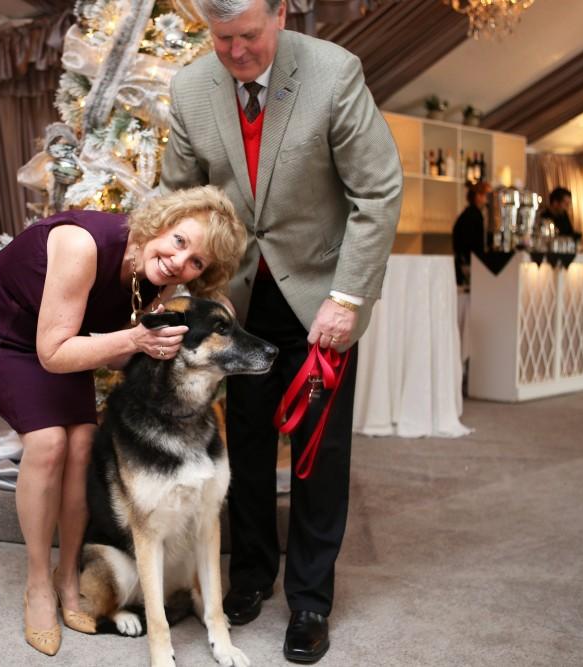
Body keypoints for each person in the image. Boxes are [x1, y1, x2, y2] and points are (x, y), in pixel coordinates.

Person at [159, 0, 402, 662]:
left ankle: (312, 599)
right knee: (247, 443)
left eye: (248, 36)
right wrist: (182, 285)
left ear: (281, 15)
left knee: (318, 457)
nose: (235, 52)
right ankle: (251, 575)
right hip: (236, 303)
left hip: (322, 302)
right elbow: (178, 196)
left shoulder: (335, 73)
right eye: (221, 38)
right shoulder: (188, 88)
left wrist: (348, 297)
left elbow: (377, 192)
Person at [0, 185, 246, 656]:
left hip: (63, 336)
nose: (178, 262)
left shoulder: (160, 278)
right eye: (179, 241)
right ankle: (38, 586)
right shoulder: (81, 245)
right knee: (48, 443)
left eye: (196, 263)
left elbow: (110, 356)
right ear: (163, 223)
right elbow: (53, 353)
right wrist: (136, 342)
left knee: (84, 442)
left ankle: (69, 578)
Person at [452, 180, 492, 288]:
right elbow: (475, 243)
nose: (488, 200)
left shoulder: (468, 213)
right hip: (468, 263)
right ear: (478, 196)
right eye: (486, 195)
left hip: (464, 261)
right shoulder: (474, 216)